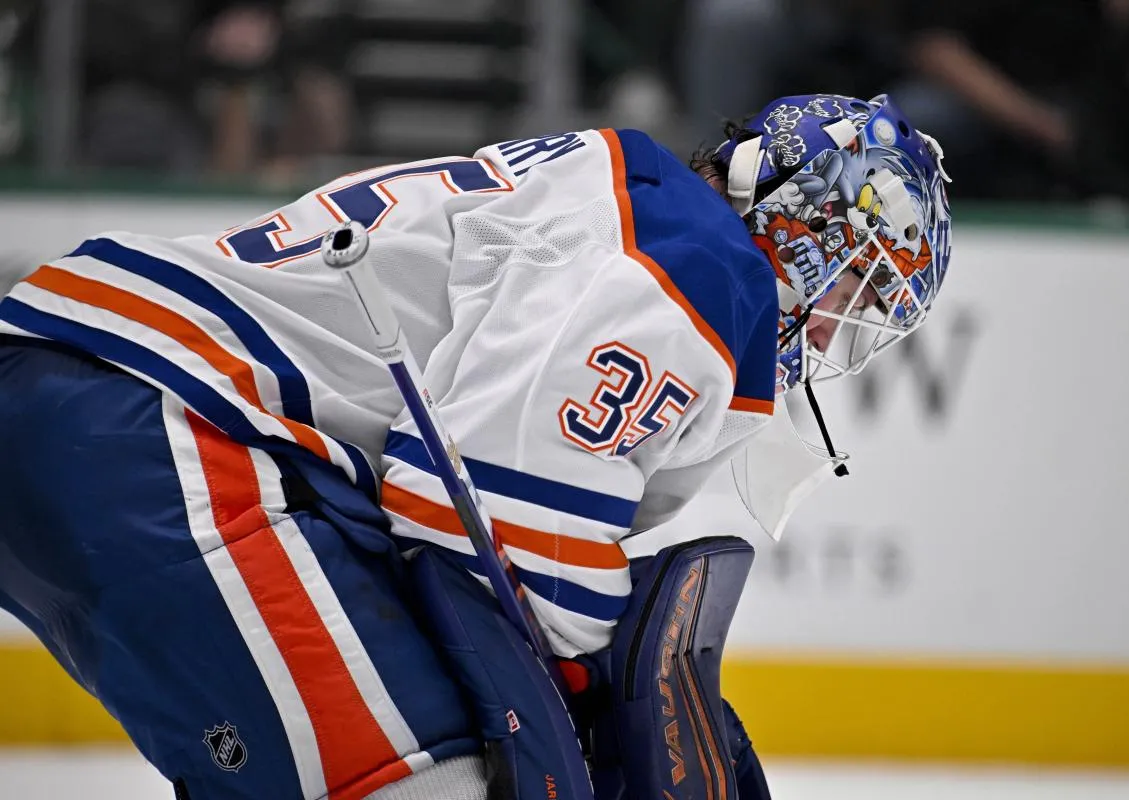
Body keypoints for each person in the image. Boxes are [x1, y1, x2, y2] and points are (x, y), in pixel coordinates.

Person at [0, 93, 951, 799]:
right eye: (856, 292)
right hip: (160, 423)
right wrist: (603, 679)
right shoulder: (700, 266)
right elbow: (483, 502)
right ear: (809, 226)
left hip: (99, 398)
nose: (829, 338)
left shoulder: (622, 188)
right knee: (432, 784)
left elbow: (458, 488)